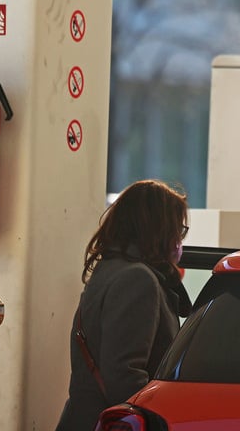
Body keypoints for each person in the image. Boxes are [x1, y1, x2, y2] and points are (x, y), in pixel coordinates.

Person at [56, 180, 192, 431]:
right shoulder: (138, 280)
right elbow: (124, 377)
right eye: (178, 230)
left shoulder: (110, 268)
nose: (179, 240)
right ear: (159, 229)